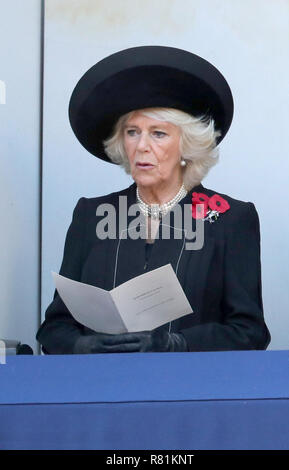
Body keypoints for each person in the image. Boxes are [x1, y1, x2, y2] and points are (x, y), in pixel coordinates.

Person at [36, 46, 271, 354]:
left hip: (190, 392)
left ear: (186, 145)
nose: (142, 146)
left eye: (158, 134)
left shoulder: (230, 219)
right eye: (132, 132)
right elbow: (54, 328)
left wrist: (177, 343)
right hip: (100, 388)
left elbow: (250, 332)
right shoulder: (92, 215)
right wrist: (81, 344)